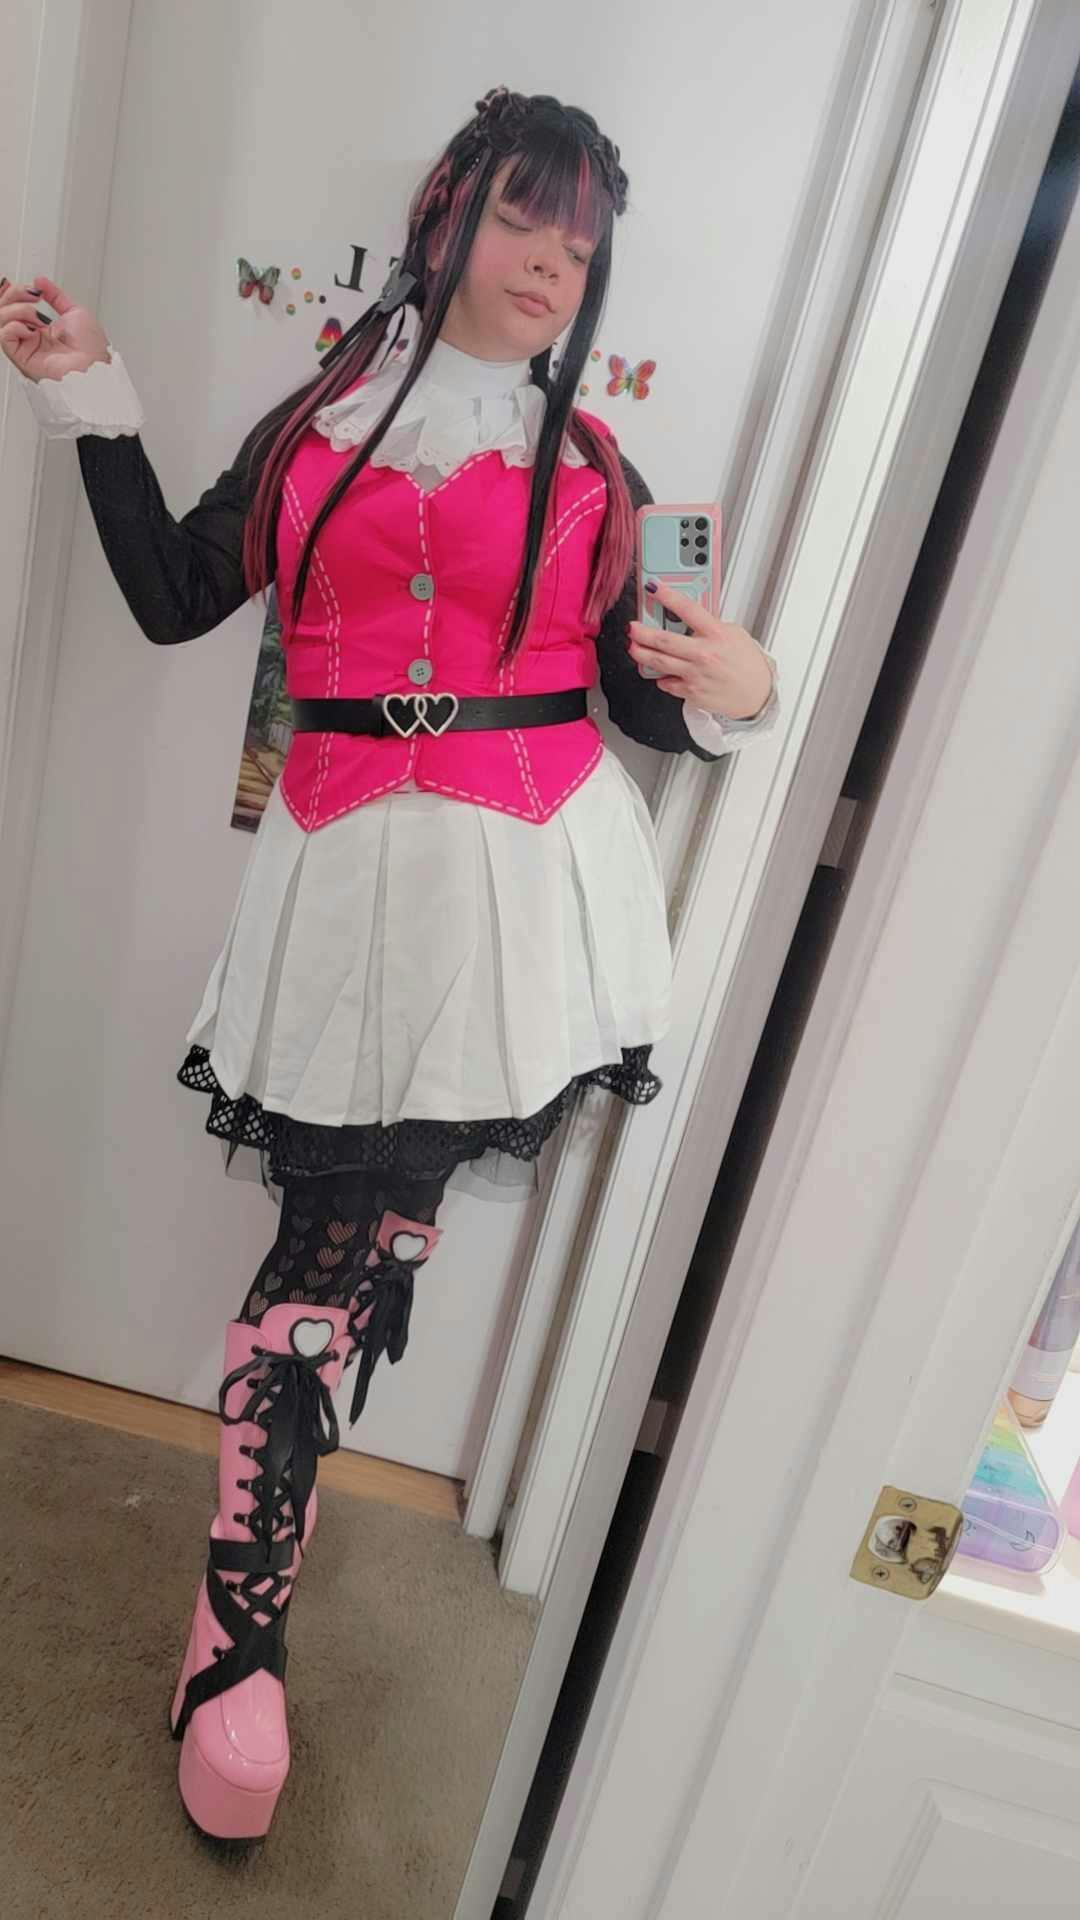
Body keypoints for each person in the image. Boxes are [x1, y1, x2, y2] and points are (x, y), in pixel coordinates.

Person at [1, 85, 780, 1842]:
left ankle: (237, 1639)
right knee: (330, 1252)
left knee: (361, 1247)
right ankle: (237, 1634)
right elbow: (174, 596)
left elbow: (647, 691)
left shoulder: (600, 469)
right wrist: (87, 394)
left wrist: (740, 695)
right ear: (445, 214)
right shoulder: (318, 427)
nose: (551, 264)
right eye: (522, 219)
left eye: (579, 243)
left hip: (523, 897)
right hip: (345, 881)